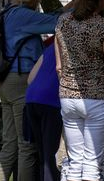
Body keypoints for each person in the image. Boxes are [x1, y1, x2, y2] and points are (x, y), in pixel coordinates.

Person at [55, 0, 104, 181]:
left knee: (74, 162)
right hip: (97, 99)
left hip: (68, 97)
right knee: (93, 162)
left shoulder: (63, 23)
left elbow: (59, 68)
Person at [0, 0, 65, 181]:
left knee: (10, 143)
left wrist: (75, 3)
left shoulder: (10, 12)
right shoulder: (24, 15)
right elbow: (57, 22)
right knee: (26, 145)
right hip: (21, 81)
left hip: (7, 80)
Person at [24, 37, 62, 181]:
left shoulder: (50, 48)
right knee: (50, 155)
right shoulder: (74, 48)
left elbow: (30, 79)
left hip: (32, 99)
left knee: (43, 154)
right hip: (51, 101)